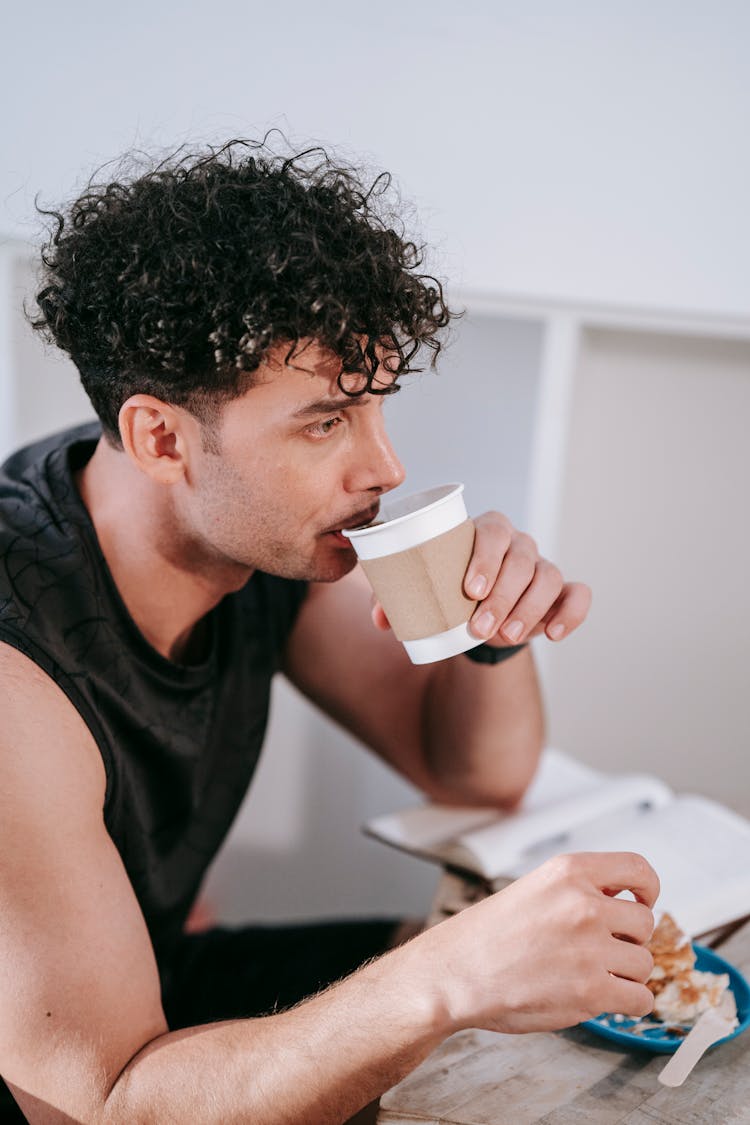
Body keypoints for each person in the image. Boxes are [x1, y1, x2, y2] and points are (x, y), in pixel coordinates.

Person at [0, 139, 658, 1124]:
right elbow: (100, 1102)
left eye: (380, 408)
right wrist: (442, 981)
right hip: (76, 1080)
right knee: (448, 988)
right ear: (162, 438)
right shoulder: (16, 675)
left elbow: (472, 772)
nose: (385, 466)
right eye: (327, 422)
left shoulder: (232, 526)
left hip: (146, 991)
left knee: (543, 996)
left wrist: (489, 632)